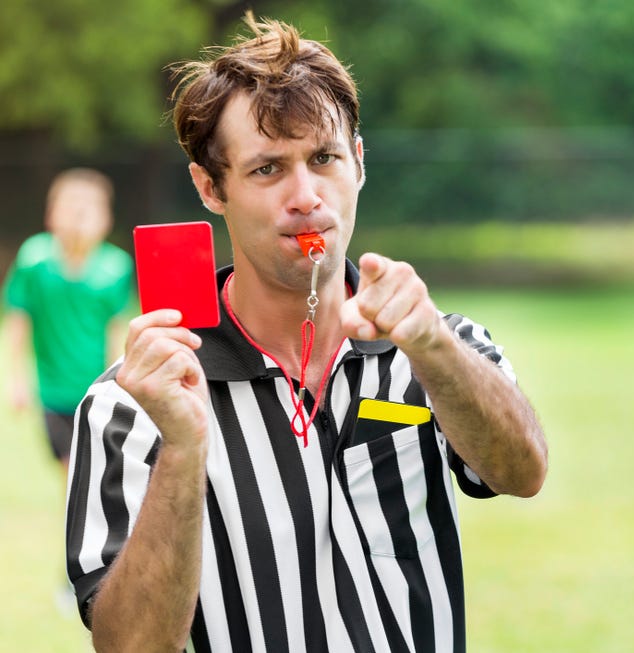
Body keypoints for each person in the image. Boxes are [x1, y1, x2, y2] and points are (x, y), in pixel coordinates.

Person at [65, 13, 548, 652]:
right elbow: (130, 646)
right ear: (210, 187)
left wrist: (432, 344)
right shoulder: (128, 405)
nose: (306, 196)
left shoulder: (437, 347)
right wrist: (182, 450)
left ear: (360, 162)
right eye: (268, 170)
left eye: (324, 158)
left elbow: (521, 472)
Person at [3, 168, 133, 481]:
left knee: (88, 468)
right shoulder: (34, 259)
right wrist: (17, 380)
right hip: (52, 391)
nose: (79, 216)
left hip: (96, 389)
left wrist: (118, 383)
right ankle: (75, 528)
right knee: (74, 469)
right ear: (51, 214)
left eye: (89, 209)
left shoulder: (115, 267)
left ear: (106, 219)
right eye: (71, 207)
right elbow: (18, 318)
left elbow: (115, 330)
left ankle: (80, 528)